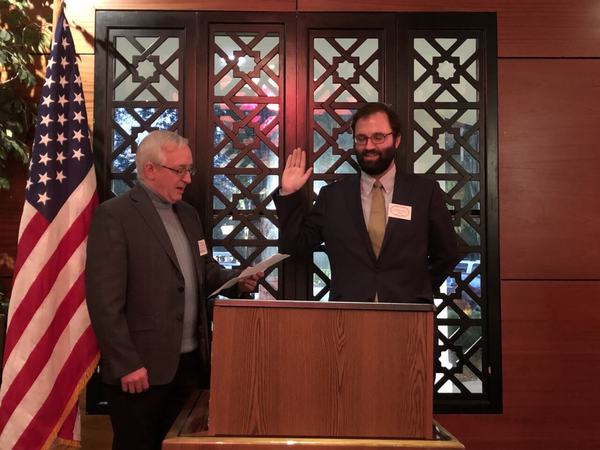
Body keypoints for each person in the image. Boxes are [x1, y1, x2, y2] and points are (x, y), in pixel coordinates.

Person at [85, 130, 262, 450]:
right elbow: (104, 302)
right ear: (150, 169)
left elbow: (203, 272)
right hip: (140, 373)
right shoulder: (115, 216)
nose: (187, 179)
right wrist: (126, 363)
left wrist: (237, 281)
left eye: (189, 170)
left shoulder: (188, 214)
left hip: (190, 368)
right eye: (179, 170)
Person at [274, 102, 458, 303]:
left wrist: (418, 289)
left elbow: (447, 253)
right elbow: (296, 246)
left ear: (397, 140)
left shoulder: (424, 193)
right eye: (361, 138)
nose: (369, 146)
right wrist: (289, 193)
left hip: (409, 318)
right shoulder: (333, 196)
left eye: (378, 137)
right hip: (346, 319)